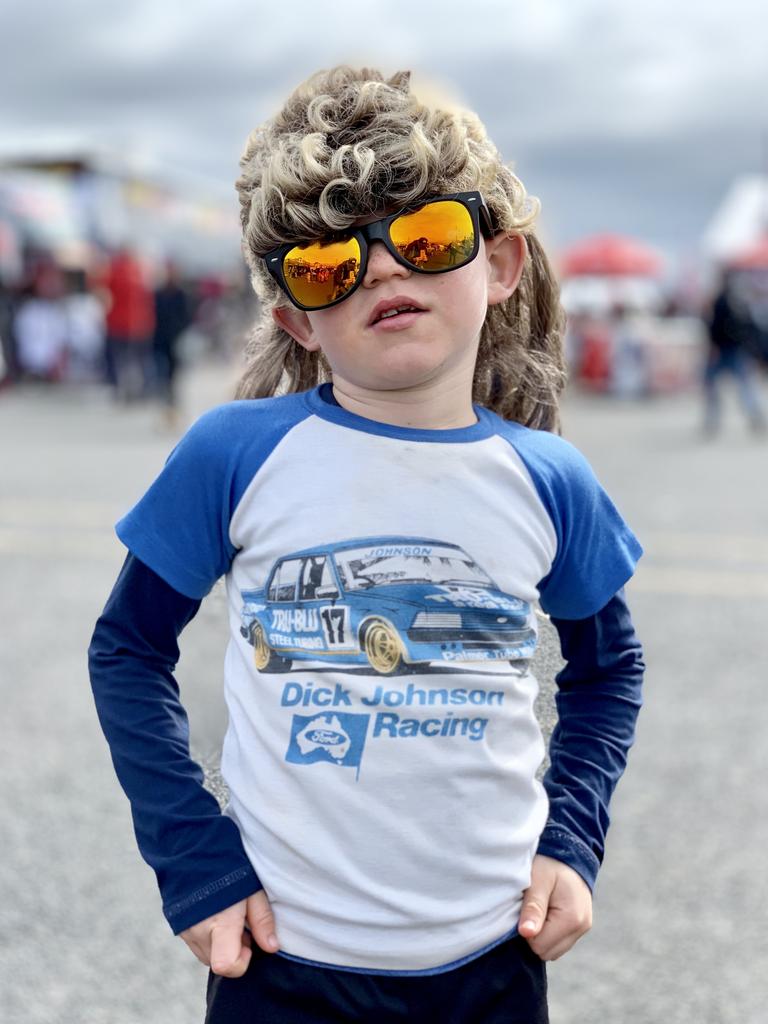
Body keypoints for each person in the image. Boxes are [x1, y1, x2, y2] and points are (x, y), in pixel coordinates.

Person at [89, 67, 644, 1023]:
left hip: (493, 959)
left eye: (427, 237)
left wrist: (571, 841)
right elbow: (126, 651)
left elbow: (611, 667)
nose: (383, 269)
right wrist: (195, 864)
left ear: (500, 264)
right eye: (327, 262)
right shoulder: (236, 453)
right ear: (297, 317)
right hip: (280, 965)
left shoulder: (551, 479)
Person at [703, 271, 766, 435]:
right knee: (742, 385)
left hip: (727, 350)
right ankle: (753, 415)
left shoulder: (723, 301)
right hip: (734, 350)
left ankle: (714, 418)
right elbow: (750, 330)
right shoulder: (739, 302)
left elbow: (714, 327)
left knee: (715, 385)